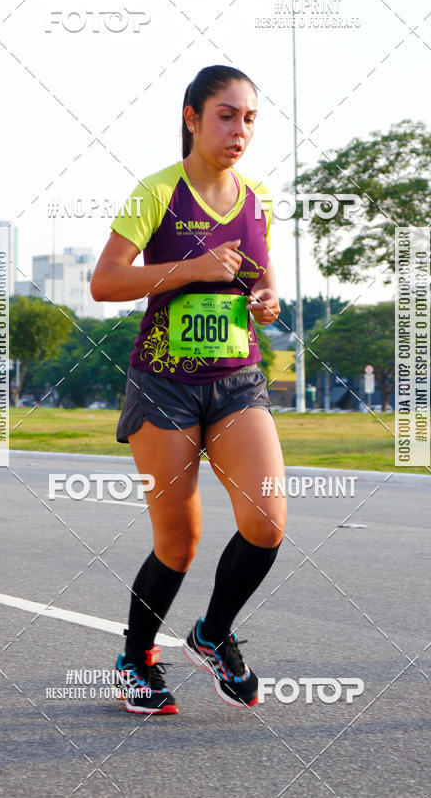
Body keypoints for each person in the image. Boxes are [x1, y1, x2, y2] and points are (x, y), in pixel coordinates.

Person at [90, 64, 287, 715]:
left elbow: (263, 282)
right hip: (164, 387)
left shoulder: (256, 198)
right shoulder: (157, 192)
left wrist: (264, 299)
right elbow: (106, 282)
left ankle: (212, 633)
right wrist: (192, 268)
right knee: (179, 542)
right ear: (192, 118)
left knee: (266, 521)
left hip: (237, 382)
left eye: (249, 118)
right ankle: (137, 659)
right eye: (226, 115)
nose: (239, 130)